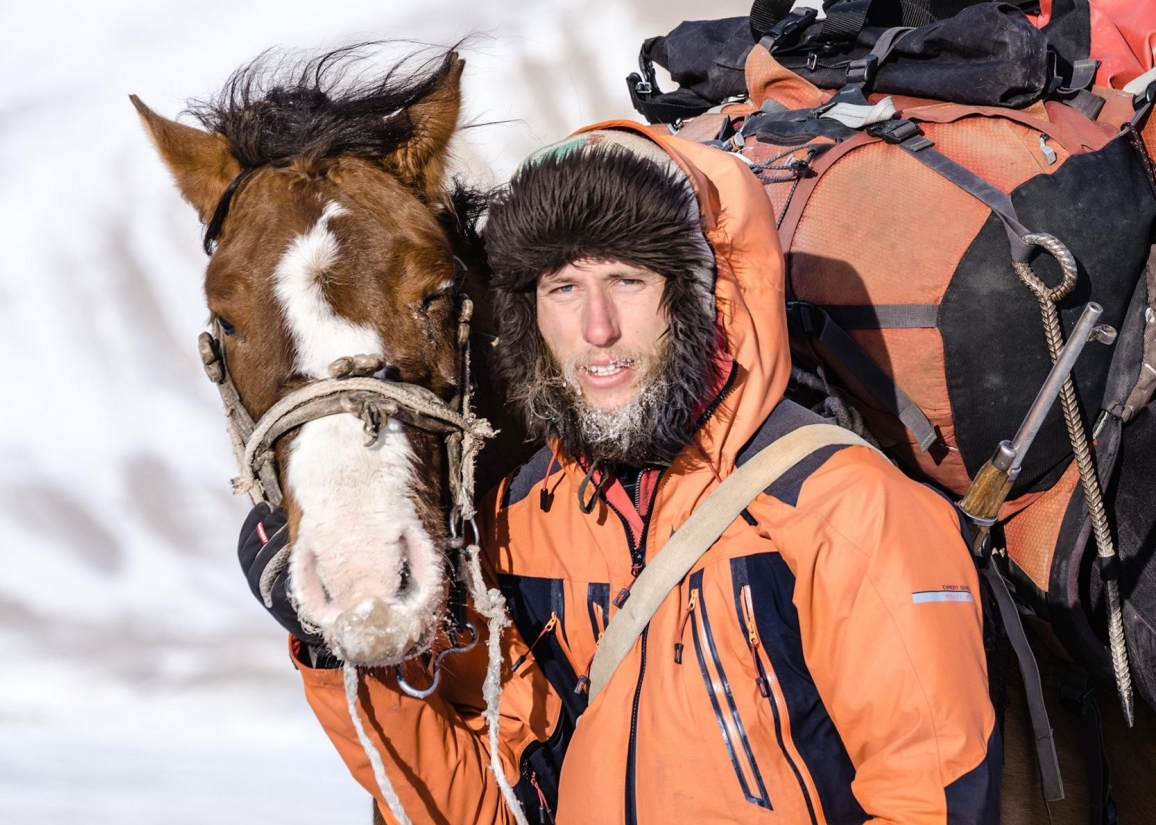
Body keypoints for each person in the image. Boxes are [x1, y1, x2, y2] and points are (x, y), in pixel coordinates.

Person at [238, 125, 1001, 824]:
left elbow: (927, 801)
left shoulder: (848, 510)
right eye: (562, 288)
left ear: (703, 295)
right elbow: (485, 804)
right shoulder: (526, 519)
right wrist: (345, 648)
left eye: (628, 280)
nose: (596, 328)